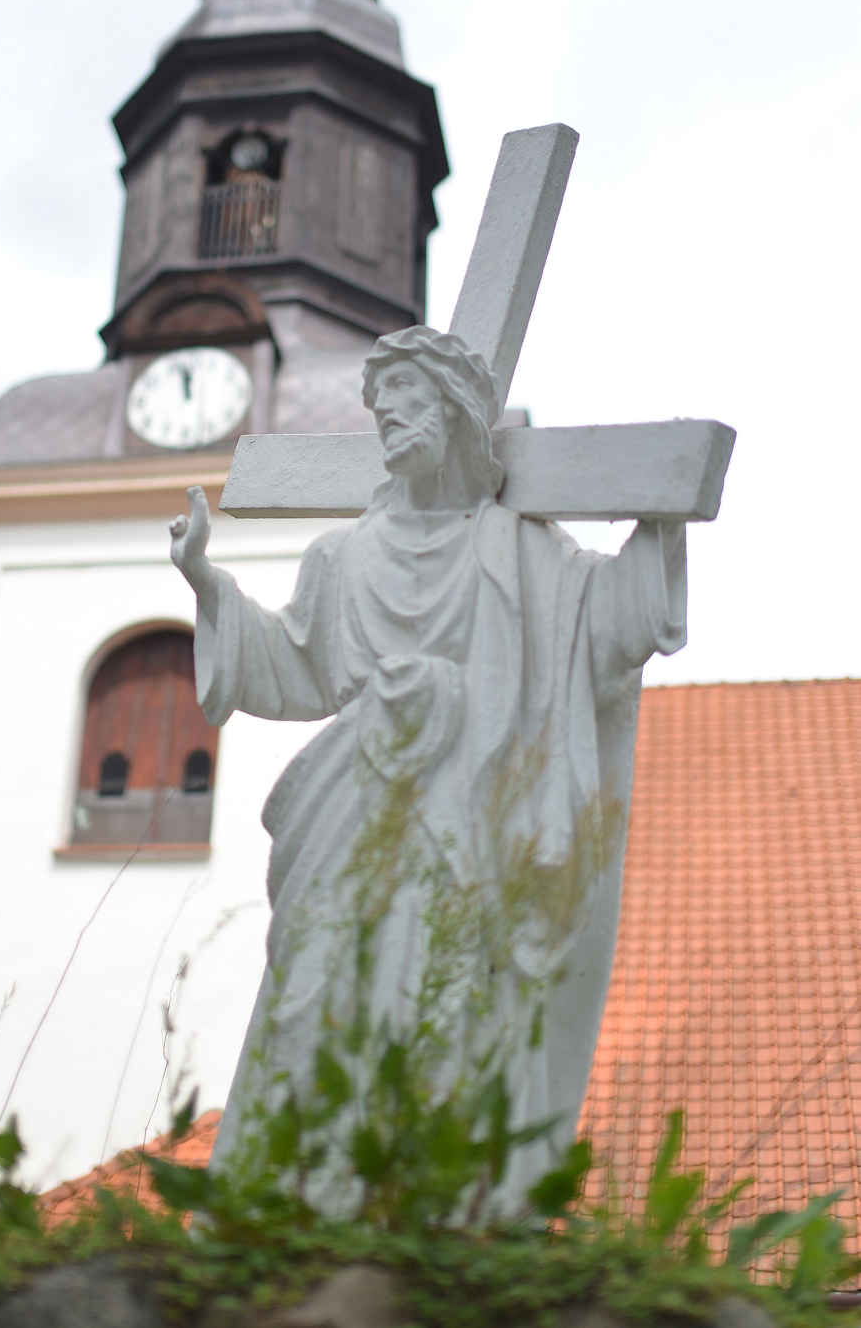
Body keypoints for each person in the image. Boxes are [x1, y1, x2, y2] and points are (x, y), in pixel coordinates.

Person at [170, 325, 686, 1212]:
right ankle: (299, 1196)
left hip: (463, 818)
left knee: (438, 998)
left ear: (452, 414)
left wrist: (658, 516)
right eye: (380, 406)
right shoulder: (342, 556)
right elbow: (293, 661)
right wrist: (207, 583)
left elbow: (599, 628)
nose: (389, 418)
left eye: (406, 401)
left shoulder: (520, 552)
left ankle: (420, 1208)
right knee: (313, 992)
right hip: (352, 808)